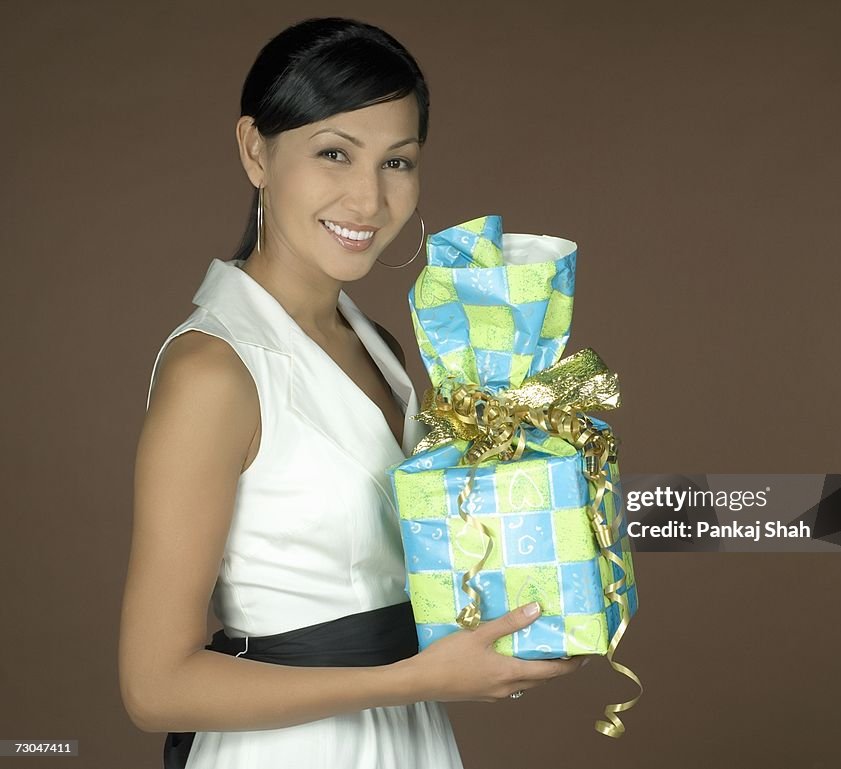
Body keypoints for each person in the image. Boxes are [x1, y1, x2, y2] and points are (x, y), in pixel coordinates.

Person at [117, 17, 586, 769]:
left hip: (410, 735)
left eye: (397, 162)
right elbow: (154, 685)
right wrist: (415, 678)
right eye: (334, 153)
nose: (367, 198)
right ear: (254, 151)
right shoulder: (215, 371)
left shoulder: (382, 346)